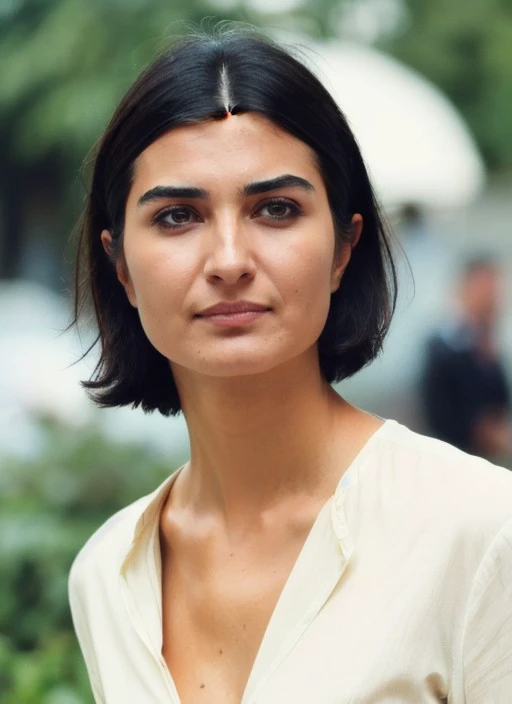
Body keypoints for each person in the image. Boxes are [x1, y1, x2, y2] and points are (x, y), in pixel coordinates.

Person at [68, 28, 512, 704]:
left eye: (276, 209)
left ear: (343, 246)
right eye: (178, 216)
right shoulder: (106, 575)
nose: (228, 259)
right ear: (121, 266)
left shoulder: (479, 534)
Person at [421, 255, 511, 459]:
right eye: (486, 290)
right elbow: (439, 415)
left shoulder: (487, 343)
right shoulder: (443, 346)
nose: (493, 299)